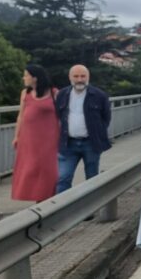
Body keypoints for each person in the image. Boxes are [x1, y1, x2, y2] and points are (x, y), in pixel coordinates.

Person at [55, 65, 112, 194]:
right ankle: (62, 210)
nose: (79, 79)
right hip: (68, 144)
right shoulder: (62, 94)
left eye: (83, 76)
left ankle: (90, 210)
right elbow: (58, 115)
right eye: (76, 76)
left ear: (88, 77)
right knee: (63, 178)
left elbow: (106, 118)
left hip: (90, 144)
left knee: (91, 178)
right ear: (70, 77)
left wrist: (98, 134)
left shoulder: (99, 95)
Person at [11, 64, 60, 202]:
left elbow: (62, 114)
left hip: (49, 137)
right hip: (29, 138)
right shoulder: (25, 93)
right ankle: (37, 197)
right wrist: (17, 136)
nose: (24, 78)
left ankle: (49, 196)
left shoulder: (54, 92)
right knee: (31, 168)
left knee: (48, 168)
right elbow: (20, 115)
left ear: (35, 78)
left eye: (26, 75)